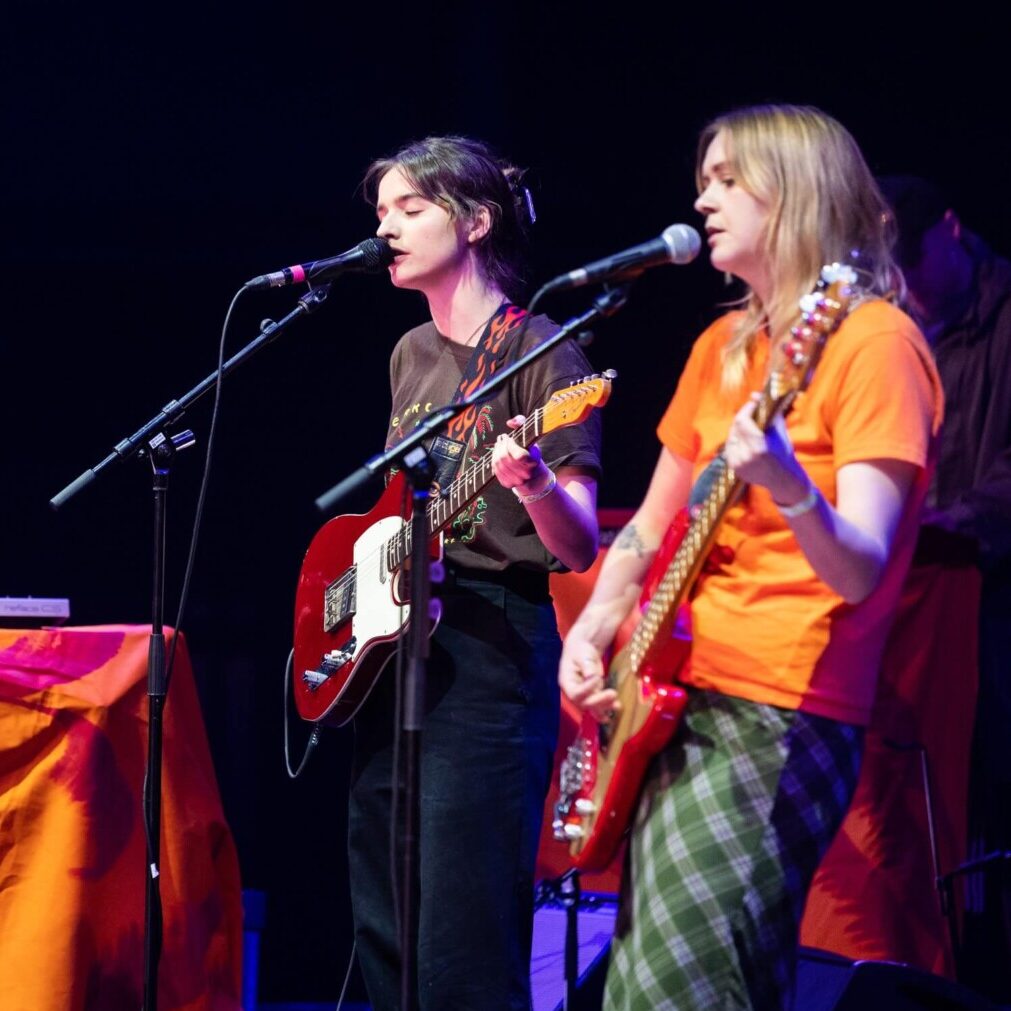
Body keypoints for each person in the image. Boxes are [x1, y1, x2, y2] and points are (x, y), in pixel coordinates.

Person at [558, 105, 943, 1010]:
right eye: (705, 177)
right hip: (672, 690)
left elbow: (859, 567)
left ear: (799, 192)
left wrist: (788, 484)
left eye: (729, 178)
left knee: (682, 989)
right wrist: (596, 630)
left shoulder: (873, 344)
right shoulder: (720, 347)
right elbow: (650, 527)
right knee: (672, 981)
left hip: (777, 709)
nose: (703, 196)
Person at [347, 136, 602, 1010]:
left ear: (477, 219)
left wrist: (530, 481)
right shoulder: (410, 353)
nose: (386, 227)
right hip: (400, 657)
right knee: (386, 919)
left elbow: (573, 545)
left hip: (491, 648)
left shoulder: (544, 350)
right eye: (380, 211)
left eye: (409, 208)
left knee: (461, 935)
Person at [878, 175, 1011, 1000]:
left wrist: (951, 520)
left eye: (915, 263)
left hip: (991, 588)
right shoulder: (896, 327)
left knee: (989, 768)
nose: (908, 286)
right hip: (918, 592)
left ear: (952, 230)